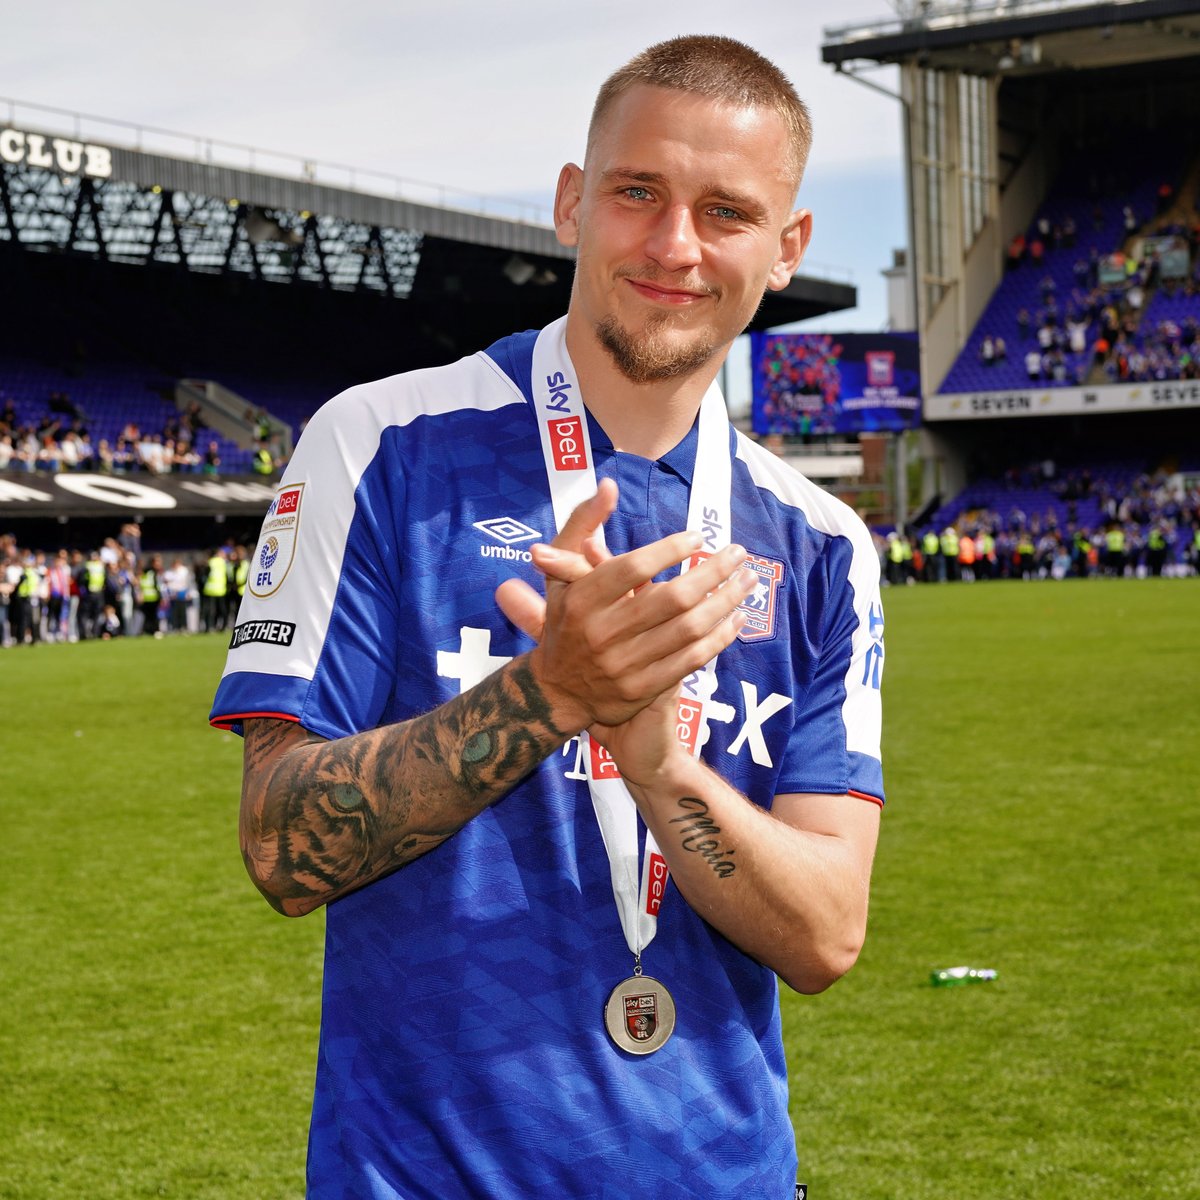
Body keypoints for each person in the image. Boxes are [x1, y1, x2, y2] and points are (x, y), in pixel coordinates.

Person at [211, 35, 884, 1199]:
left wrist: (660, 763)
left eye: (727, 211)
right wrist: (546, 695)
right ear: (573, 203)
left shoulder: (821, 543)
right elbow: (280, 843)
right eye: (638, 192)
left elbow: (826, 935)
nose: (676, 245)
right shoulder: (379, 446)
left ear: (788, 249)